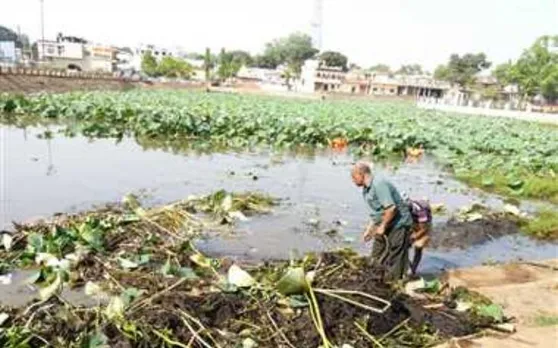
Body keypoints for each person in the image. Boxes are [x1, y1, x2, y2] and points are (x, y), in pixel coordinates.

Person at [351, 162, 412, 280]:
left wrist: (383, 226)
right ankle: (375, 278)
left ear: (361, 174)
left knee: (395, 255)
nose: (353, 181)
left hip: (398, 224)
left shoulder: (379, 184)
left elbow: (391, 208)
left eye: (354, 177)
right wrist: (369, 230)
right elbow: (377, 212)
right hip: (385, 222)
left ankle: (393, 282)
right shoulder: (366, 189)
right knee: (376, 254)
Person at [406, 198, 432, 276]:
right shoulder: (401, 208)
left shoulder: (421, 210)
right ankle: (407, 266)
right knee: (404, 245)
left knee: (418, 246)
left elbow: (424, 229)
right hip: (412, 220)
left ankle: (413, 269)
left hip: (424, 224)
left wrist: (414, 237)